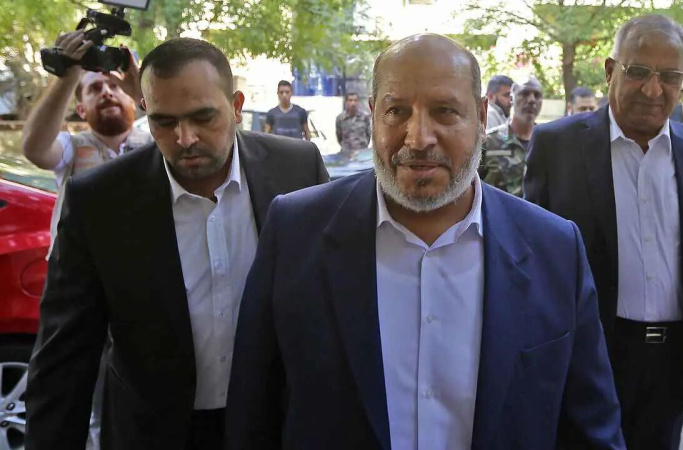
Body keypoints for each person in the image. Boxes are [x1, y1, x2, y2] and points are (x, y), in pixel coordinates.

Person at [226, 33, 624, 450]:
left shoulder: (554, 250)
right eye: (396, 111)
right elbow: (254, 413)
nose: (418, 139)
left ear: (482, 117)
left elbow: (591, 427)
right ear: (372, 115)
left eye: (444, 112)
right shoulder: (295, 233)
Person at [25, 37, 329, 450]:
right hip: (154, 433)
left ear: (236, 106)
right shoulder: (99, 201)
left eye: (203, 117)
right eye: (164, 122)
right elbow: (64, 359)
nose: (185, 138)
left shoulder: (298, 169)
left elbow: (331, 307)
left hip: (276, 428)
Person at [524, 14, 683, 450]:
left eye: (669, 76)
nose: (653, 89)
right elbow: (533, 261)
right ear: (610, 70)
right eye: (639, 71)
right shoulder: (557, 146)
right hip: (586, 356)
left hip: (671, 366)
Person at [20, 30, 151, 450]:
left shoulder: (154, 146)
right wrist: (69, 74)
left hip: (142, 291)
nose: (107, 92)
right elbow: (34, 147)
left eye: (115, 86)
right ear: (81, 108)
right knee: (74, 391)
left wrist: (141, 85)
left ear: (133, 102)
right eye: (95, 88)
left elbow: (176, 123)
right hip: (81, 293)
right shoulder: (72, 150)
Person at [480, 77, 542, 197]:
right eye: (524, 93)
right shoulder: (489, 141)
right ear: (512, 98)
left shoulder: (547, 143)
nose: (531, 100)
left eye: (537, 95)